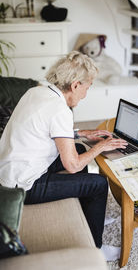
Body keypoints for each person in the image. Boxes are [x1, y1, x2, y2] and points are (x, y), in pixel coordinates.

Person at [0, 51, 127, 260]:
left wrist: (80, 133)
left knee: (79, 148)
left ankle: (91, 216)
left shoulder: (38, 91)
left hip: (11, 167)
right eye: (88, 87)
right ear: (76, 85)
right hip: (21, 186)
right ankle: (96, 248)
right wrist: (100, 147)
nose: (86, 93)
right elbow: (73, 166)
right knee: (98, 185)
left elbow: (45, 128)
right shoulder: (60, 110)